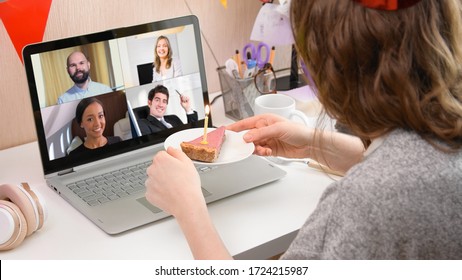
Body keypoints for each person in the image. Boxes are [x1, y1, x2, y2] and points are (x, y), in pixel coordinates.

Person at [144, 0, 462, 259]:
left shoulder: (362, 205)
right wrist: (316, 144)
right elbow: (412, 165)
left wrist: (189, 208)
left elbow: (385, 188)